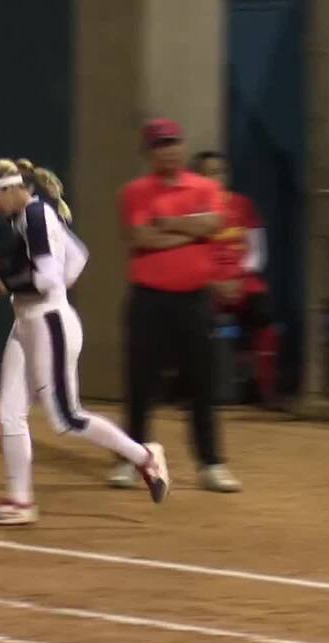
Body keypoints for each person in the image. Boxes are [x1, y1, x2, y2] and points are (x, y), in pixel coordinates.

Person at [0, 158, 170, 525]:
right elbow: (77, 258)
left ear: (13, 188)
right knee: (10, 411)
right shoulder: (22, 219)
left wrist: (9, 282)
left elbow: (47, 279)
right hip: (27, 321)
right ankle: (20, 501)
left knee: (66, 418)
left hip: (49, 322)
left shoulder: (35, 217)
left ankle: (145, 457)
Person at [113, 118, 241, 493]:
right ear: (148, 153)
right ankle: (129, 460)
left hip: (196, 302)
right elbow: (141, 237)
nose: (168, 149)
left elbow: (214, 224)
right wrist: (190, 233)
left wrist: (168, 224)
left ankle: (211, 464)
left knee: (202, 382)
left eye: (173, 142)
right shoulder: (135, 192)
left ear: (182, 147)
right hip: (149, 300)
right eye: (159, 144)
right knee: (140, 384)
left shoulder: (204, 186)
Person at [192, 150, 281, 405]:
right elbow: (188, 257)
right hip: (207, 284)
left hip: (243, 282)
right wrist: (215, 283)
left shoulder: (243, 205)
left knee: (264, 316)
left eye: (221, 172)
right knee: (193, 320)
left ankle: (266, 391)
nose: (217, 177)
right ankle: (200, 391)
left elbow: (257, 251)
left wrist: (240, 277)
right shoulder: (189, 210)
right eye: (209, 172)